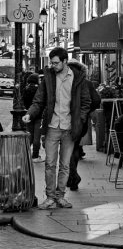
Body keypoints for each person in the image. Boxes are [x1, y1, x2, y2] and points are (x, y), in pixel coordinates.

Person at [23, 47, 90, 209]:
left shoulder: (78, 78)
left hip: (69, 128)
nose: (53, 66)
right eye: (51, 63)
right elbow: (39, 100)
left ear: (65, 61)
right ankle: (50, 197)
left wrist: (79, 120)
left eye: (56, 63)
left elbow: (86, 102)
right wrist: (30, 114)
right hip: (53, 126)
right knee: (50, 164)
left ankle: (61, 197)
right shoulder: (48, 78)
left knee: (65, 165)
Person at [66, 60, 101, 191]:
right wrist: (85, 113)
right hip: (81, 122)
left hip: (65, 120)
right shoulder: (87, 83)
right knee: (73, 147)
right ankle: (73, 176)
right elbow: (97, 100)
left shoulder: (64, 82)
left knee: (68, 148)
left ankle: (73, 176)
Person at [22, 73, 42, 159]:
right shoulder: (39, 89)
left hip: (29, 114)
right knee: (37, 137)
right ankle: (35, 154)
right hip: (38, 115)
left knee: (30, 135)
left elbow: (23, 102)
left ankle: (26, 153)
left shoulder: (25, 89)